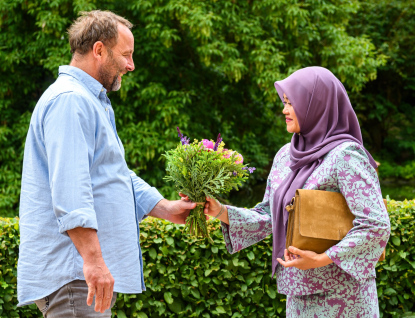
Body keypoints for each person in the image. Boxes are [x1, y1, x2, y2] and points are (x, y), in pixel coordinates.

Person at [17, 10, 196, 317]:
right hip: (74, 276)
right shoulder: (71, 100)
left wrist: (163, 208)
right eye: (126, 55)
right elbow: (71, 190)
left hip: (77, 278)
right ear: (99, 50)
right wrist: (94, 262)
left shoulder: (88, 100)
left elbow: (112, 174)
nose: (131, 65)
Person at [189, 67, 391, 317]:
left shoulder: (345, 155)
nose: (284, 110)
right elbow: (271, 217)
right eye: (285, 102)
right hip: (298, 294)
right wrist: (220, 211)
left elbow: (376, 225)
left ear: (316, 105)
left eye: (291, 103)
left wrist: (322, 258)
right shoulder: (286, 156)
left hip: (345, 297)